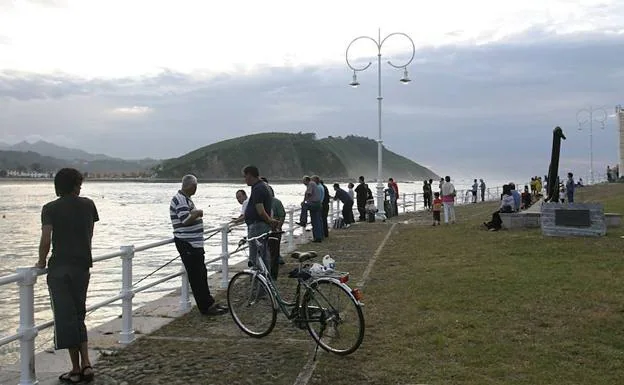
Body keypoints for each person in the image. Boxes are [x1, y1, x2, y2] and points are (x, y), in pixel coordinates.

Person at [36, 168, 98, 384]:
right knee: (79, 314)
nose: (80, 187)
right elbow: (88, 234)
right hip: (82, 265)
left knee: (65, 318)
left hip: (60, 269)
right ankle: (87, 364)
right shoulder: (89, 205)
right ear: (74, 186)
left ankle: (74, 369)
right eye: (79, 184)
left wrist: (41, 262)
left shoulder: (50, 208)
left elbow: (46, 239)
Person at [170, 175, 228, 316]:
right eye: (195, 186)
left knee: (201, 273)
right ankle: (205, 307)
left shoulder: (186, 199)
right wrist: (197, 213)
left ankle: (209, 302)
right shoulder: (180, 199)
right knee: (196, 276)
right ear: (192, 186)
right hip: (187, 243)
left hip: (194, 243)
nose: (196, 189)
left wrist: (195, 214)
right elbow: (185, 220)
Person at [243, 166, 280, 267]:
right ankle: (265, 279)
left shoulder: (258, 188)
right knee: (263, 254)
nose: (244, 179)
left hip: (257, 226)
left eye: (245, 176)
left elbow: (260, 210)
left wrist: (269, 221)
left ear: (250, 175)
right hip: (260, 225)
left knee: (256, 256)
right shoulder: (263, 186)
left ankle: (258, 281)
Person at [297, 175, 323, 242]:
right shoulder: (313, 184)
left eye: (303, 181)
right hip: (318, 204)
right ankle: (318, 237)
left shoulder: (310, 184)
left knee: (304, 206)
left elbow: (308, 194)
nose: (303, 182)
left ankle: (303, 221)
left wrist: (304, 201)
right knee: (315, 221)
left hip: (314, 203)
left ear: (306, 180)